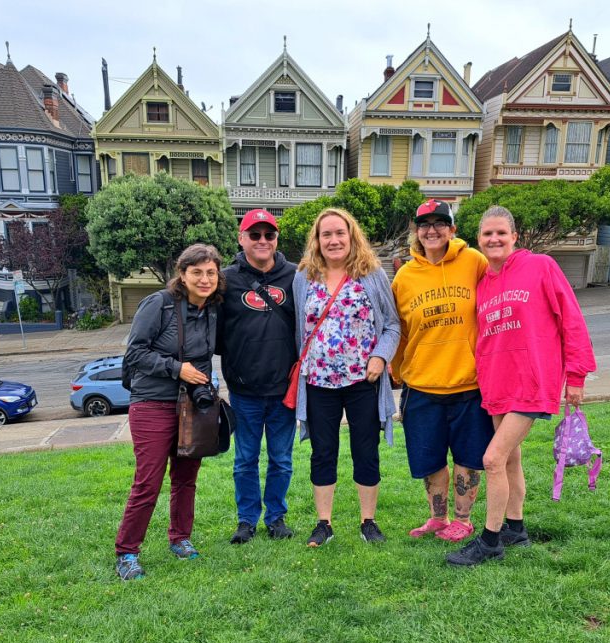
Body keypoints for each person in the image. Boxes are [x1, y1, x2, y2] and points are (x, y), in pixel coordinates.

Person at [447, 206, 596, 567]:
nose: (494, 239)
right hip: (497, 385)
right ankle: (516, 527)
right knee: (511, 459)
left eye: (501, 233)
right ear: (478, 240)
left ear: (515, 236)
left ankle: (490, 540)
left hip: (532, 382)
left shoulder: (540, 267)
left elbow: (571, 319)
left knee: (492, 459)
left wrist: (576, 376)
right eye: (487, 234)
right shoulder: (484, 283)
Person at [114, 244, 224, 579]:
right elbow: (135, 353)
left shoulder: (212, 310)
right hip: (152, 403)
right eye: (197, 272)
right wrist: (177, 369)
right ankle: (127, 553)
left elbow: (205, 357)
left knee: (186, 478)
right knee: (148, 482)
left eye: (211, 273)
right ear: (183, 274)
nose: (204, 279)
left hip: (191, 405)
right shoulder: (159, 304)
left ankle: (180, 538)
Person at [292, 207, 400, 547]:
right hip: (318, 382)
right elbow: (298, 328)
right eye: (327, 234)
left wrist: (381, 356)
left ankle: (368, 521)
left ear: (352, 237)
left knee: (365, 450)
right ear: (317, 240)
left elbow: (393, 324)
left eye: (340, 233)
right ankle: (324, 523)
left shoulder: (372, 275)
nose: (334, 240)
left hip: (362, 382)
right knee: (323, 452)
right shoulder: (303, 278)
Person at [390, 200, 492, 543]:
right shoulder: (404, 276)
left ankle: (463, 519)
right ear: (416, 231)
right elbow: (400, 329)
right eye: (424, 224)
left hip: (469, 384)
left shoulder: (474, 262)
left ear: (452, 229)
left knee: (468, 457)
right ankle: (437, 517)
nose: (431, 230)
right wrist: (396, 369)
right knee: (429, 459)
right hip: (422, 386)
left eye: (439, 223)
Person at [218, 209, 298, 544]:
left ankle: (276, 517)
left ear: (276, 239)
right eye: (255, 234)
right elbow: (216, 332)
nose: (262, 240)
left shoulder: (297, 276)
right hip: (244, 390)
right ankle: (247, 520)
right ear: (241, 238)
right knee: (245, 460)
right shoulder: (225, 279)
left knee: (281, 459)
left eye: (269, 234)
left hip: (285, 390)